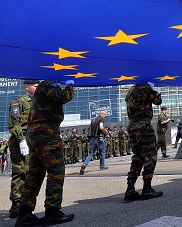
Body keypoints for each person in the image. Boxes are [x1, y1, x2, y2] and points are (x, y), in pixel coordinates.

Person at [15, 80, 75, 226]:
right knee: (56, 170)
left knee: (35, 174)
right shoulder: (48, 84)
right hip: (45, 131)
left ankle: (24, 214)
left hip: (36, 132)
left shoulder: (43, 86)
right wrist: (70, 85)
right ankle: (52, 212)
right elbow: (64, 96)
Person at [124, 82, 165, 202]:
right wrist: (153, 89)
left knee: (138, 156)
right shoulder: (144, 87)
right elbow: (158, 101)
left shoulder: (131, 89)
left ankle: (130, 189)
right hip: (143, 125)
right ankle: (147, 188)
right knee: (150, 155)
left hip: (132, 125)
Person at [7, 80, 39, 218]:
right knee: (21, 172)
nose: (38, 88)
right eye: (35, 86)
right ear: (27, 87)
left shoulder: (38, 102)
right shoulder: (18, 102)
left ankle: (24, 203)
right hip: (20, 142)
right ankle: (16, 204)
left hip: (32, 141)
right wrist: (21, 140)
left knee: (31, 172)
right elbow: (15, 124)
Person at [80, 110, 108, 175]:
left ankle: (84, 165)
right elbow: (101, 127)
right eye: (104, 115)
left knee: (91, 153)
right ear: (102, 114)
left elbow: (90, 129)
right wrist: (105, 130)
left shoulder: (93, 120)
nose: (105, 116)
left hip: (92, 138)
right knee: (102, 152)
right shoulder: (101, 119)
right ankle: (102, 167)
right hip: (99, 138)